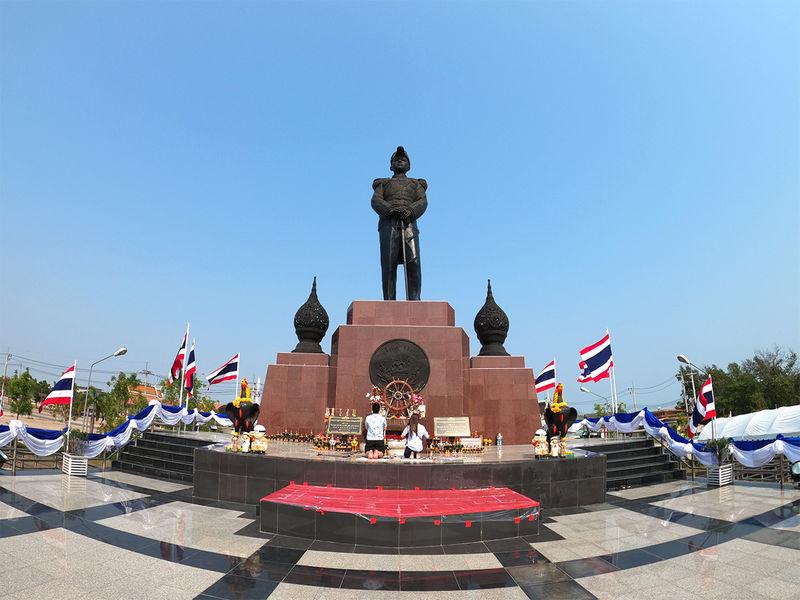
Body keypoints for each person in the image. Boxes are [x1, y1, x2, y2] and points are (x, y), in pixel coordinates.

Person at [371, 146, 428, 300]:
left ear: (409, 166)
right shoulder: (383, 184)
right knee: (389, 264)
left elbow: (422, 201)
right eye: (396, 159)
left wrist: (411, 210)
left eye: (403, 159)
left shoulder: (416, 184)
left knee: (413, 262)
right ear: (391, 166)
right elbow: (376, 201)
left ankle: (414, 299)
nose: (400, 160)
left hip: (409, 224)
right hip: (388, 224)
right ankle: (389, 300)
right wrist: (390, 209)